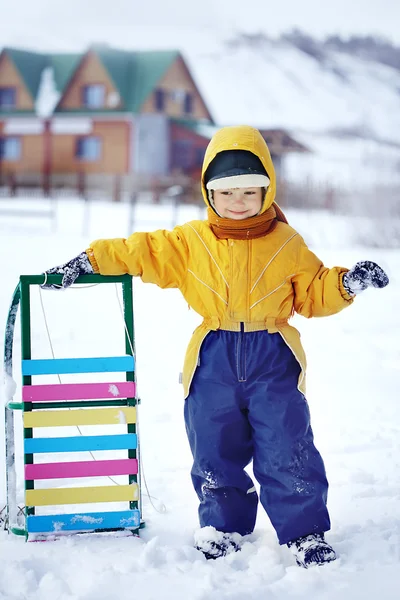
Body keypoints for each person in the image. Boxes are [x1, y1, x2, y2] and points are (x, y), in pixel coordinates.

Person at [42, 125, 389, 568]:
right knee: (213, 447)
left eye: (250, 190)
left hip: (273, 357)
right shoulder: (190, 242)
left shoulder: (287, 242)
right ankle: (223, 528)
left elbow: (313, 292)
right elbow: (140, 251)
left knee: (287, 447)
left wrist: (345, 283)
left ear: (268, 190)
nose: (238, 201)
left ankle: (305, 533)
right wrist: (91, 259)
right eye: (226, 192)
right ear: (209, 192)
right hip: (212, 359)